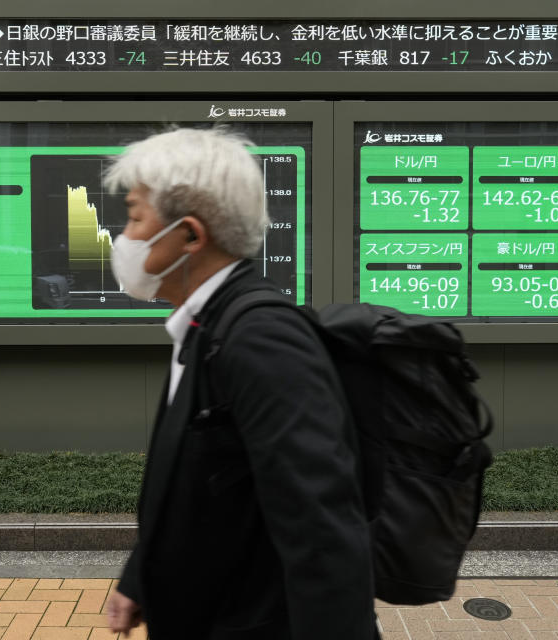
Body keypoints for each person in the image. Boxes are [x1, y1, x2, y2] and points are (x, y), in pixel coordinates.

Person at [102, 127, 376, 640]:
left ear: (189, 236)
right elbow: (198, 483)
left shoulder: (261, 338)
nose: (125, 235)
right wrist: (142, 576)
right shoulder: (207, 324)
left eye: (136, 216)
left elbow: (324, 533)